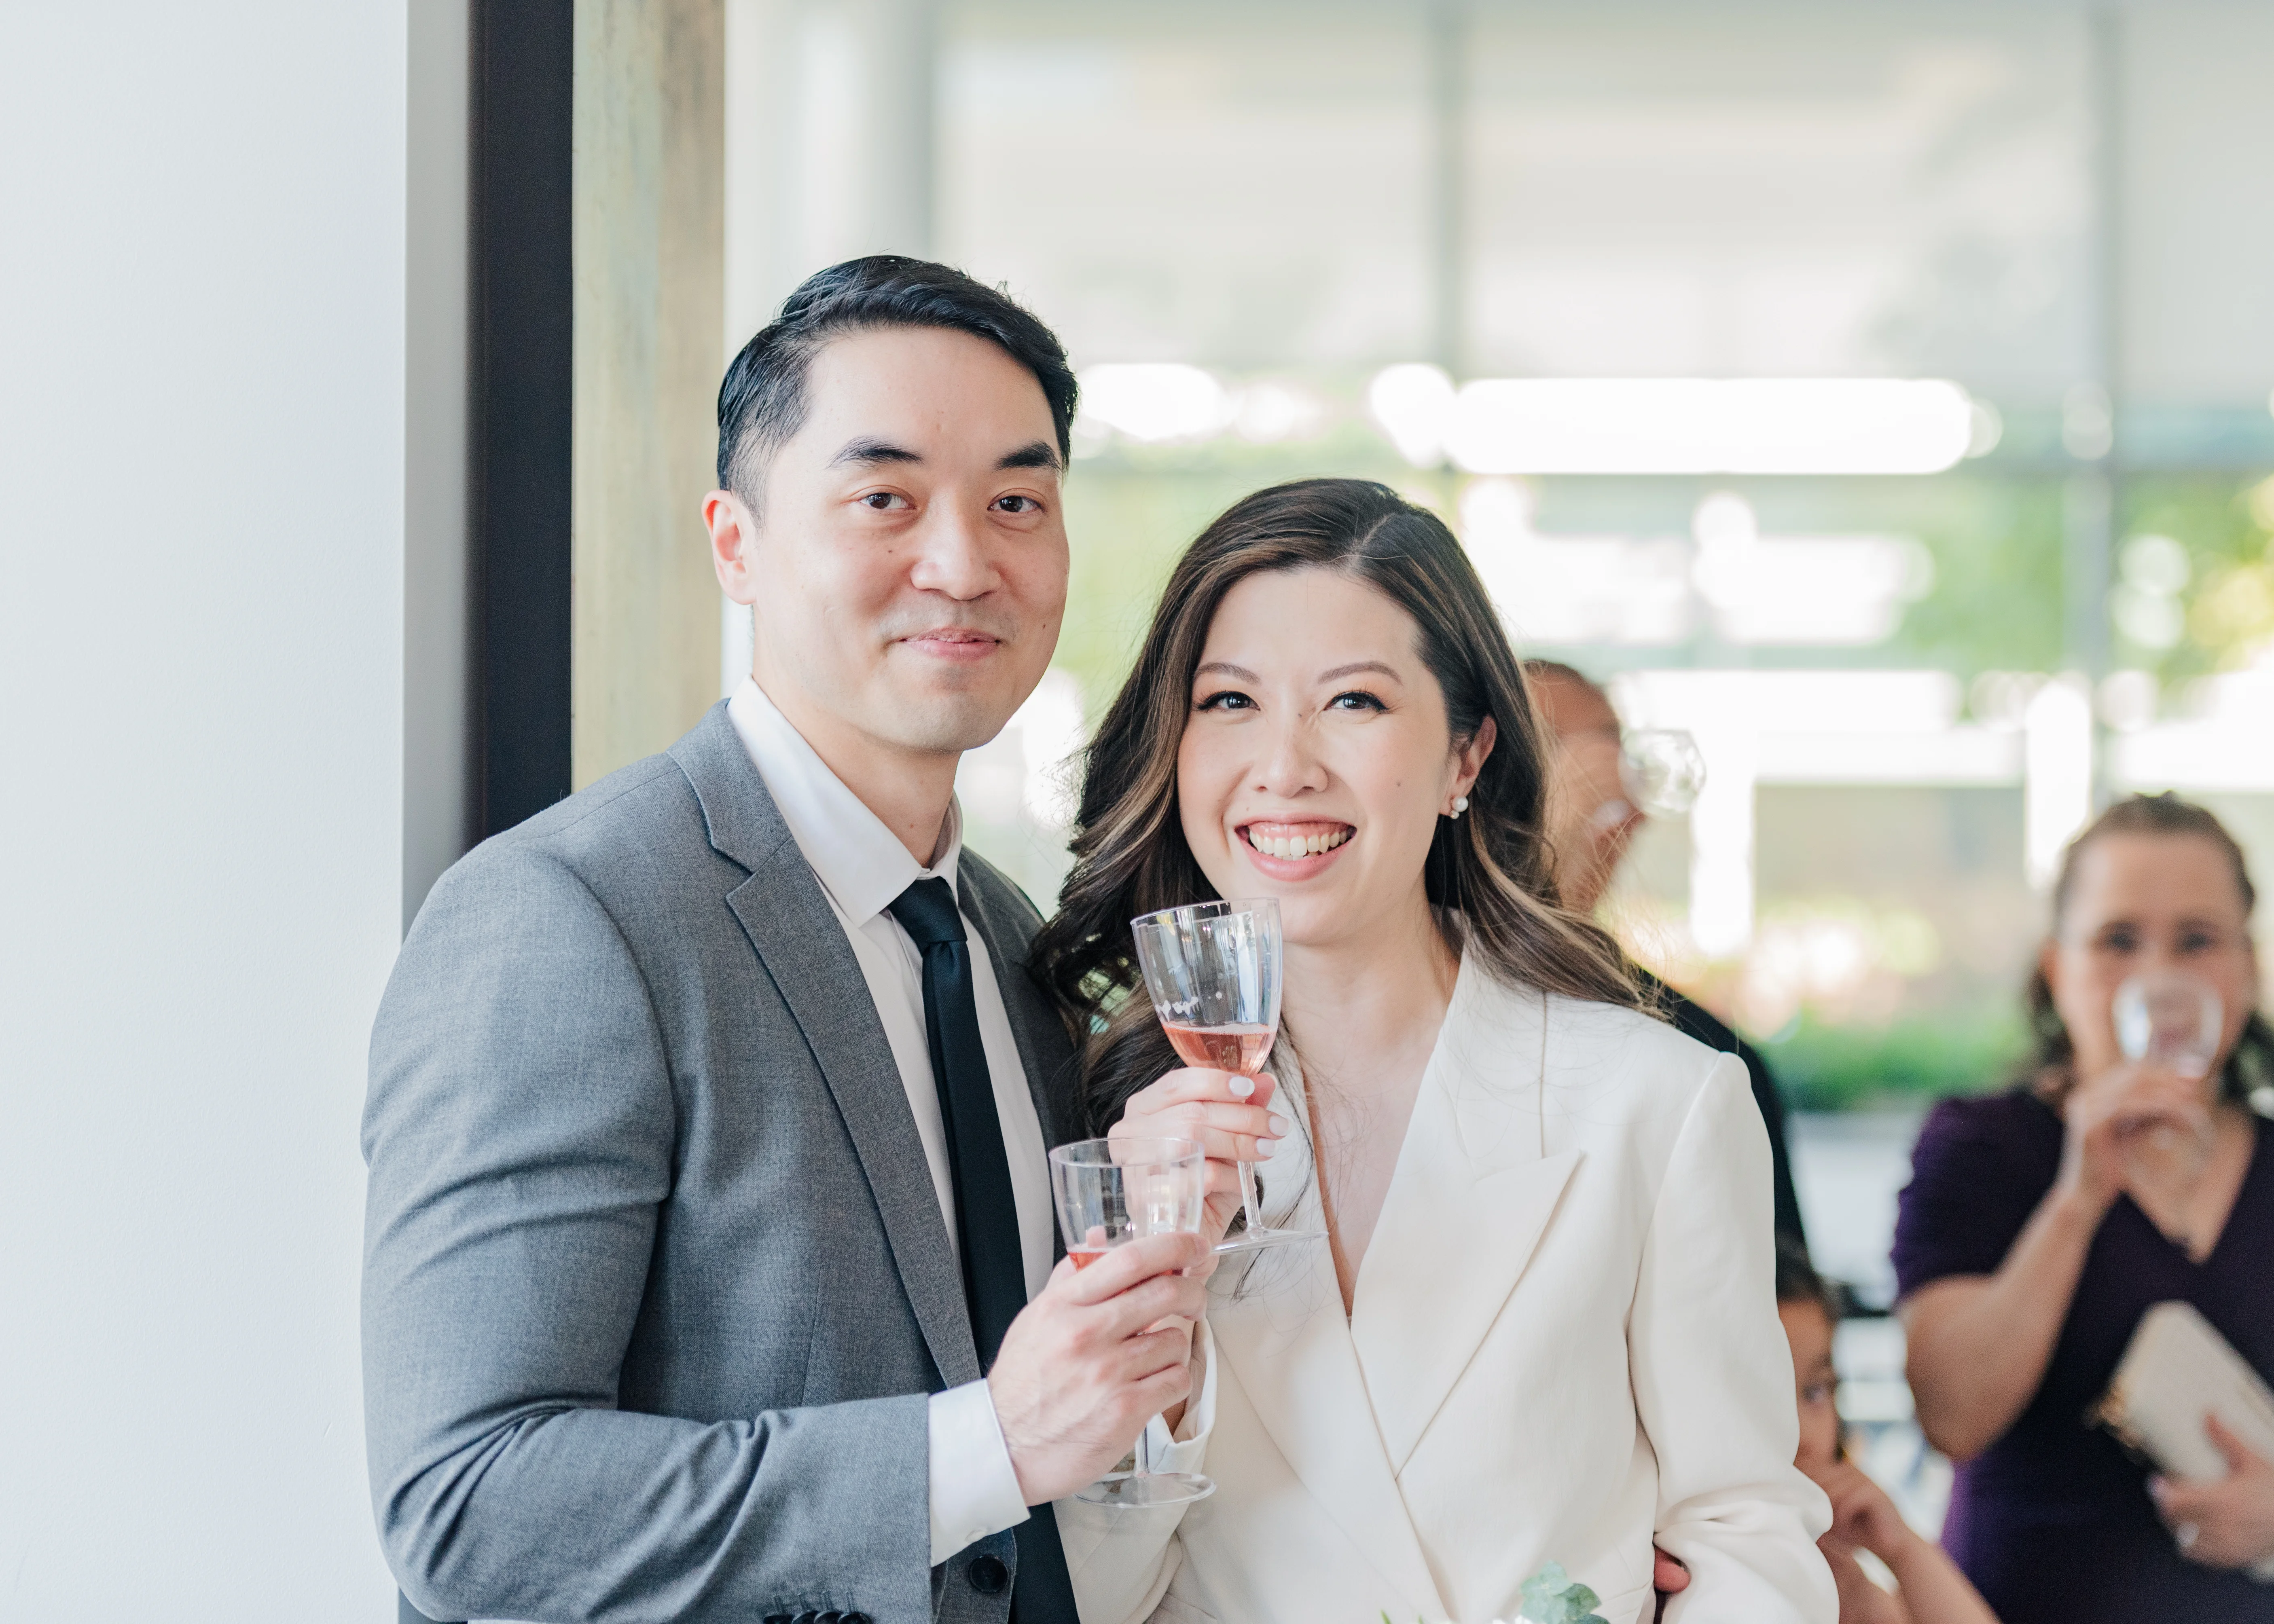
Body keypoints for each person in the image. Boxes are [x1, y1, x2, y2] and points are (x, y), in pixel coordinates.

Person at [361, 256, 1213, 1624]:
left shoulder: (1011, 943)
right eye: (884, 498)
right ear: (736, 545)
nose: (963, 563)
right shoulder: (569, 915)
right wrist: (984, 1447)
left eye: (1016, 502)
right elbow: (468, 1503)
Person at [1032, 479, 1835, 1624]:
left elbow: (1744, 1535)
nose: (1284, 765)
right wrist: (1153, 1308)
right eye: (1229, 701)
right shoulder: (1104, 1117)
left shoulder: (1654, 1103)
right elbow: (1081, 1595)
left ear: (1466, 755)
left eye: (1352, 701)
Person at [1893, 793, 2274, 1622]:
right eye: (2118, 940)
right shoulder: (1983, 1149)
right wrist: (2080, 1196)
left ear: (2247, 968)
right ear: (2057, 970)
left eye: (2197, 940)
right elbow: (1952, 1416)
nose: (2159, 978)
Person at [1522, 659, 1806, 1250]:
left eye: (1610, 761)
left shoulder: (1706, 1053)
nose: (1605, 795)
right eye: (1552, 757)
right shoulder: (1401, 1013)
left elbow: (1786, 1292)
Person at [1775, 1243, 1999, 1624]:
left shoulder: (1836, 1573)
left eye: (1815, 1392)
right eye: (1767, 1398)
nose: (1804, 1436)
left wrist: (1903, 1550)